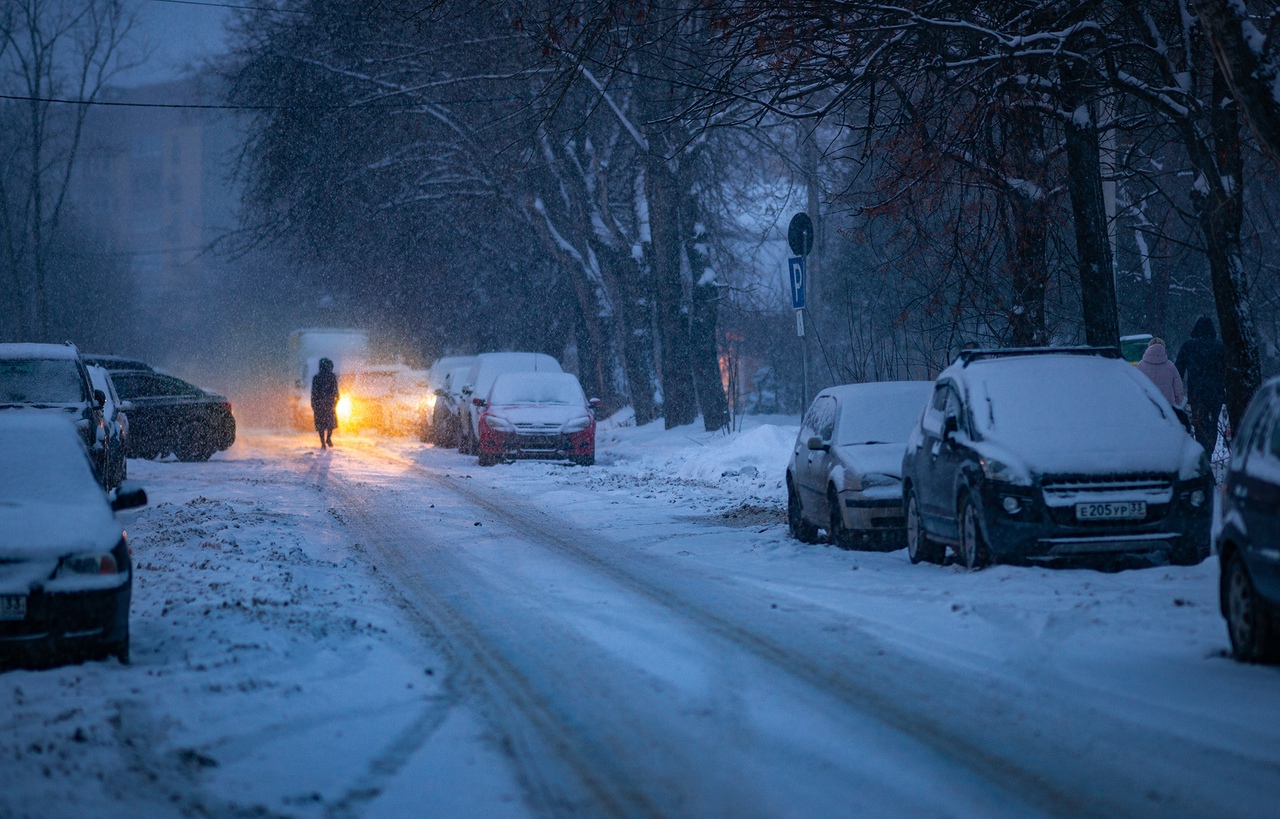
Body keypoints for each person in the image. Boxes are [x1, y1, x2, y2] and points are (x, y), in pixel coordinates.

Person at [1176, 316, 1226, 454]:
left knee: (1199, 424)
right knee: (1213, 423)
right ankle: (1209, 451)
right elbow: (1227, 370)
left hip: (1196, 392)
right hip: (1216, 392)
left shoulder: (1188, 346)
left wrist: (1178, 391)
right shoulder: (1220, 346)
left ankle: (1202, 452)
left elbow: (1178, 369)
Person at [1136, 337, 1186, 408]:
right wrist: (1176, 404)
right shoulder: (1170, 366)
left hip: (1147, 406)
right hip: (1168, 406)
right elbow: (1179, 389)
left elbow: (1136, 387)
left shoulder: (1140, 366)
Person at [311, 358, 339, 449]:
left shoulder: (316, 377)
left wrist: (314, 404)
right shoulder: (332, 377)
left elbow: (314, 392)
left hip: (319, 404)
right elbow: (335, 390)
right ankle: (328, 438)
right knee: (330, 423)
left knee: (321, 425)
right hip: (329, 403)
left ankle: (323, 442)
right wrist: (336, 399)